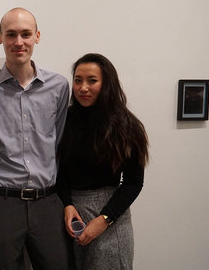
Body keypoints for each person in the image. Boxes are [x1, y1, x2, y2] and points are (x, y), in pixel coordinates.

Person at [0, 7, 74, 270]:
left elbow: (60, 142)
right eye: (11, 34)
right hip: (2, 203)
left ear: (37, 36)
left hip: (48, 203)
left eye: (26, 34)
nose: (19, 42)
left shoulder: (59, 86)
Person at [57, 53, 149, 270]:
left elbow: (133, 183)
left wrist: (104, 219)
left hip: (110, 217)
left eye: (92, 80)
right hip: (71, 217)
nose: (83, 87)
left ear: (107, 83)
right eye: (78, 80)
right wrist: (67, 204)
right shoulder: (65, 120)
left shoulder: (127, 126)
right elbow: (58, 169)